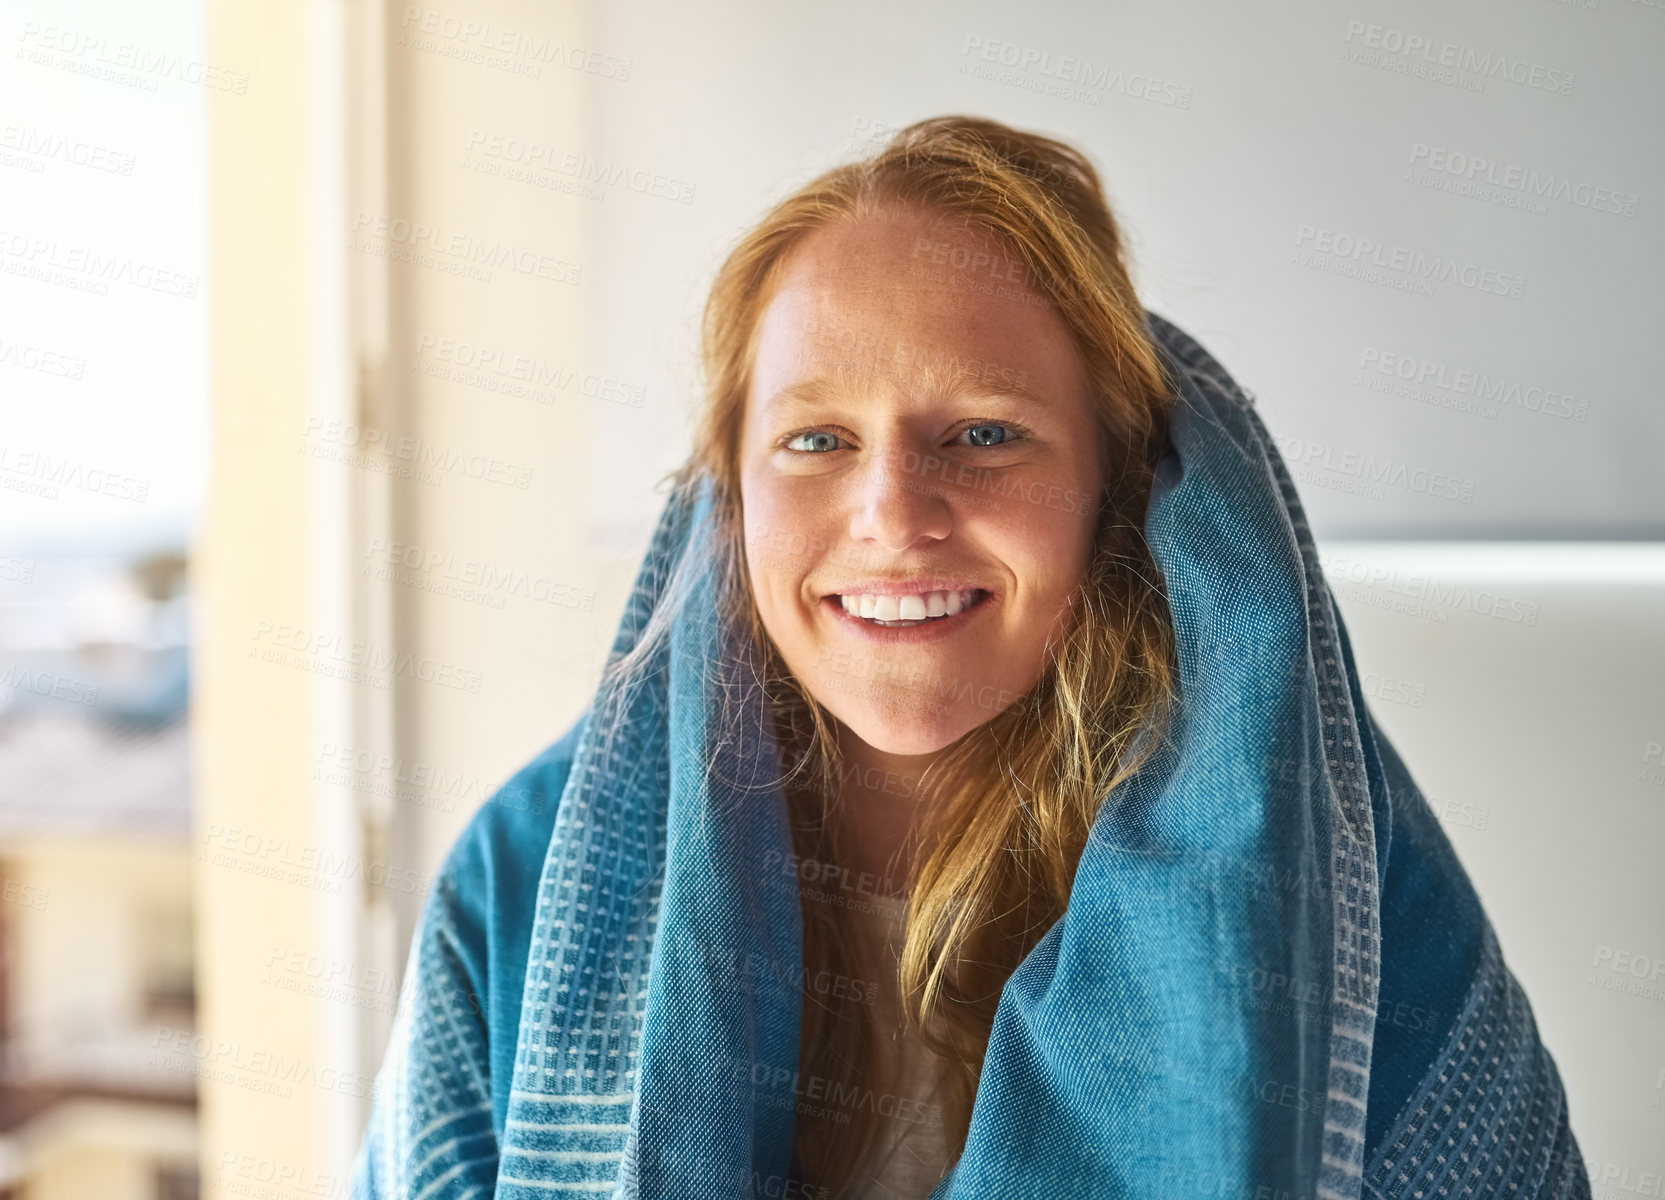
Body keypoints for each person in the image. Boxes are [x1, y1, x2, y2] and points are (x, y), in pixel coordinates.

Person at [353, 116, 1589, 1199]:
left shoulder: (1326, 872)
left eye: (986, 433)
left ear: (1118, 488)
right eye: (818, 439)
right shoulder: (519, 890)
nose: (894, 513)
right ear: (726, 501)